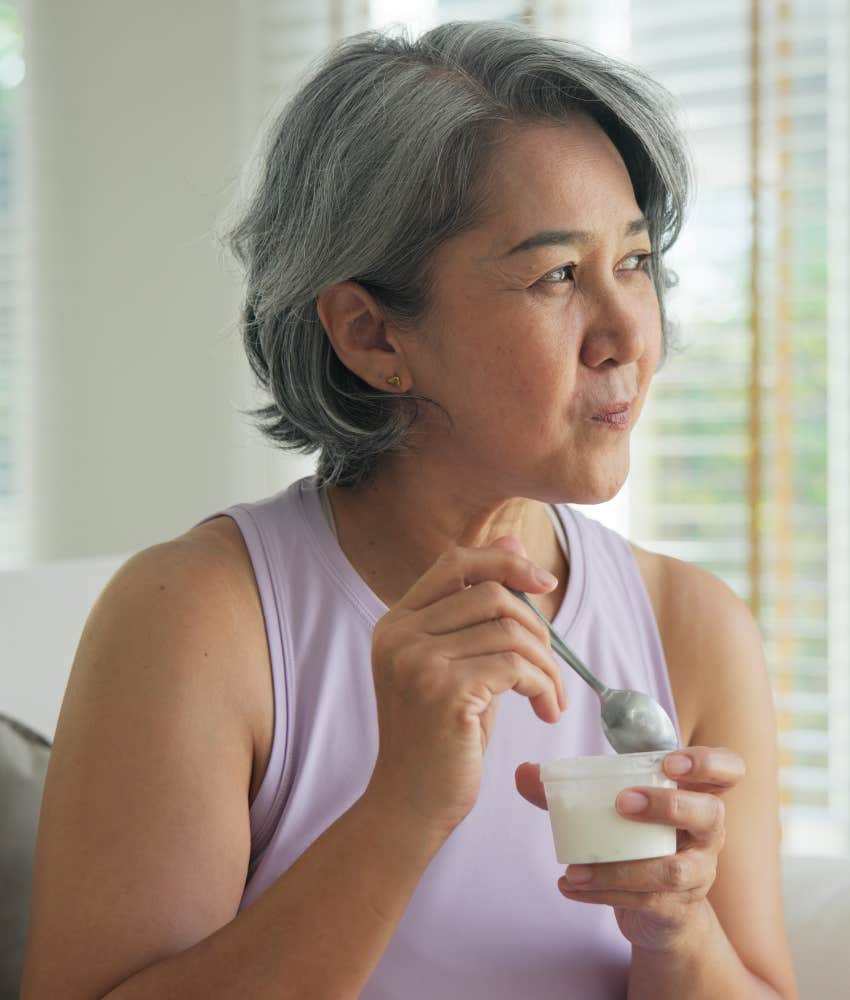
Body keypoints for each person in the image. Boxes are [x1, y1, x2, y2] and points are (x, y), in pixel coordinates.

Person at [21, 19, 798, 1000]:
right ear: (372, 335)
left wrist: (678, 933)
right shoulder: (199, 619)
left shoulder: (692, 627)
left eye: (635, 262)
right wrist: (403, 808)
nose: (627, 335)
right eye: (558, 275)